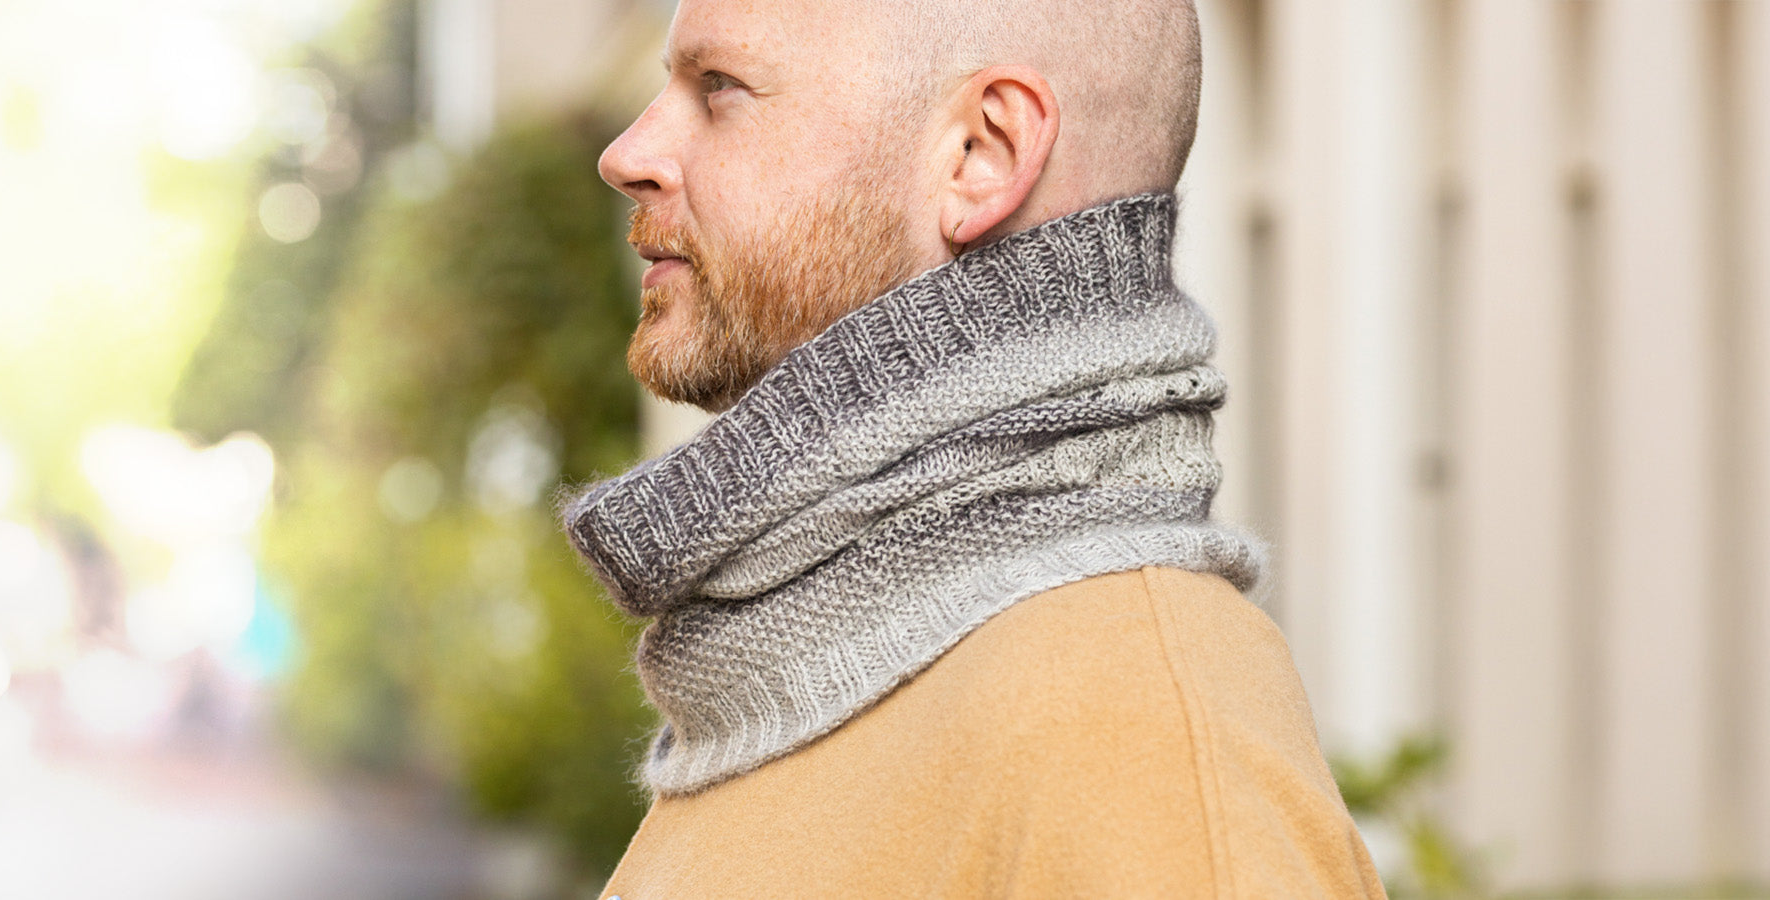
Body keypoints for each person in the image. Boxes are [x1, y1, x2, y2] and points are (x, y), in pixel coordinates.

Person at [562, 0, 1385, 895]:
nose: (627, 156)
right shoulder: (794, 676)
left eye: (718, 88)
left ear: (982, 154)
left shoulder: (1135, 739)